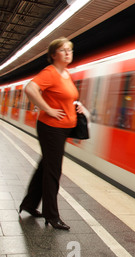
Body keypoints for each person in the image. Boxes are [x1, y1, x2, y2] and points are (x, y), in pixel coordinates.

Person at [19, 37, 86, 230]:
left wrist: (77, 106)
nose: (68, 53)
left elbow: (65, 97)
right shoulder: (50, 72)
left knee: (45, 167)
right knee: (53, 171)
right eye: (63, 50)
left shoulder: (66, 74)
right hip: (51, 128)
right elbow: (30, 88)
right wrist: (47, 109)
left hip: (63, 128)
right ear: (53, 55)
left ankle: (29, 204)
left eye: (70, 50)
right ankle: (52, 215)